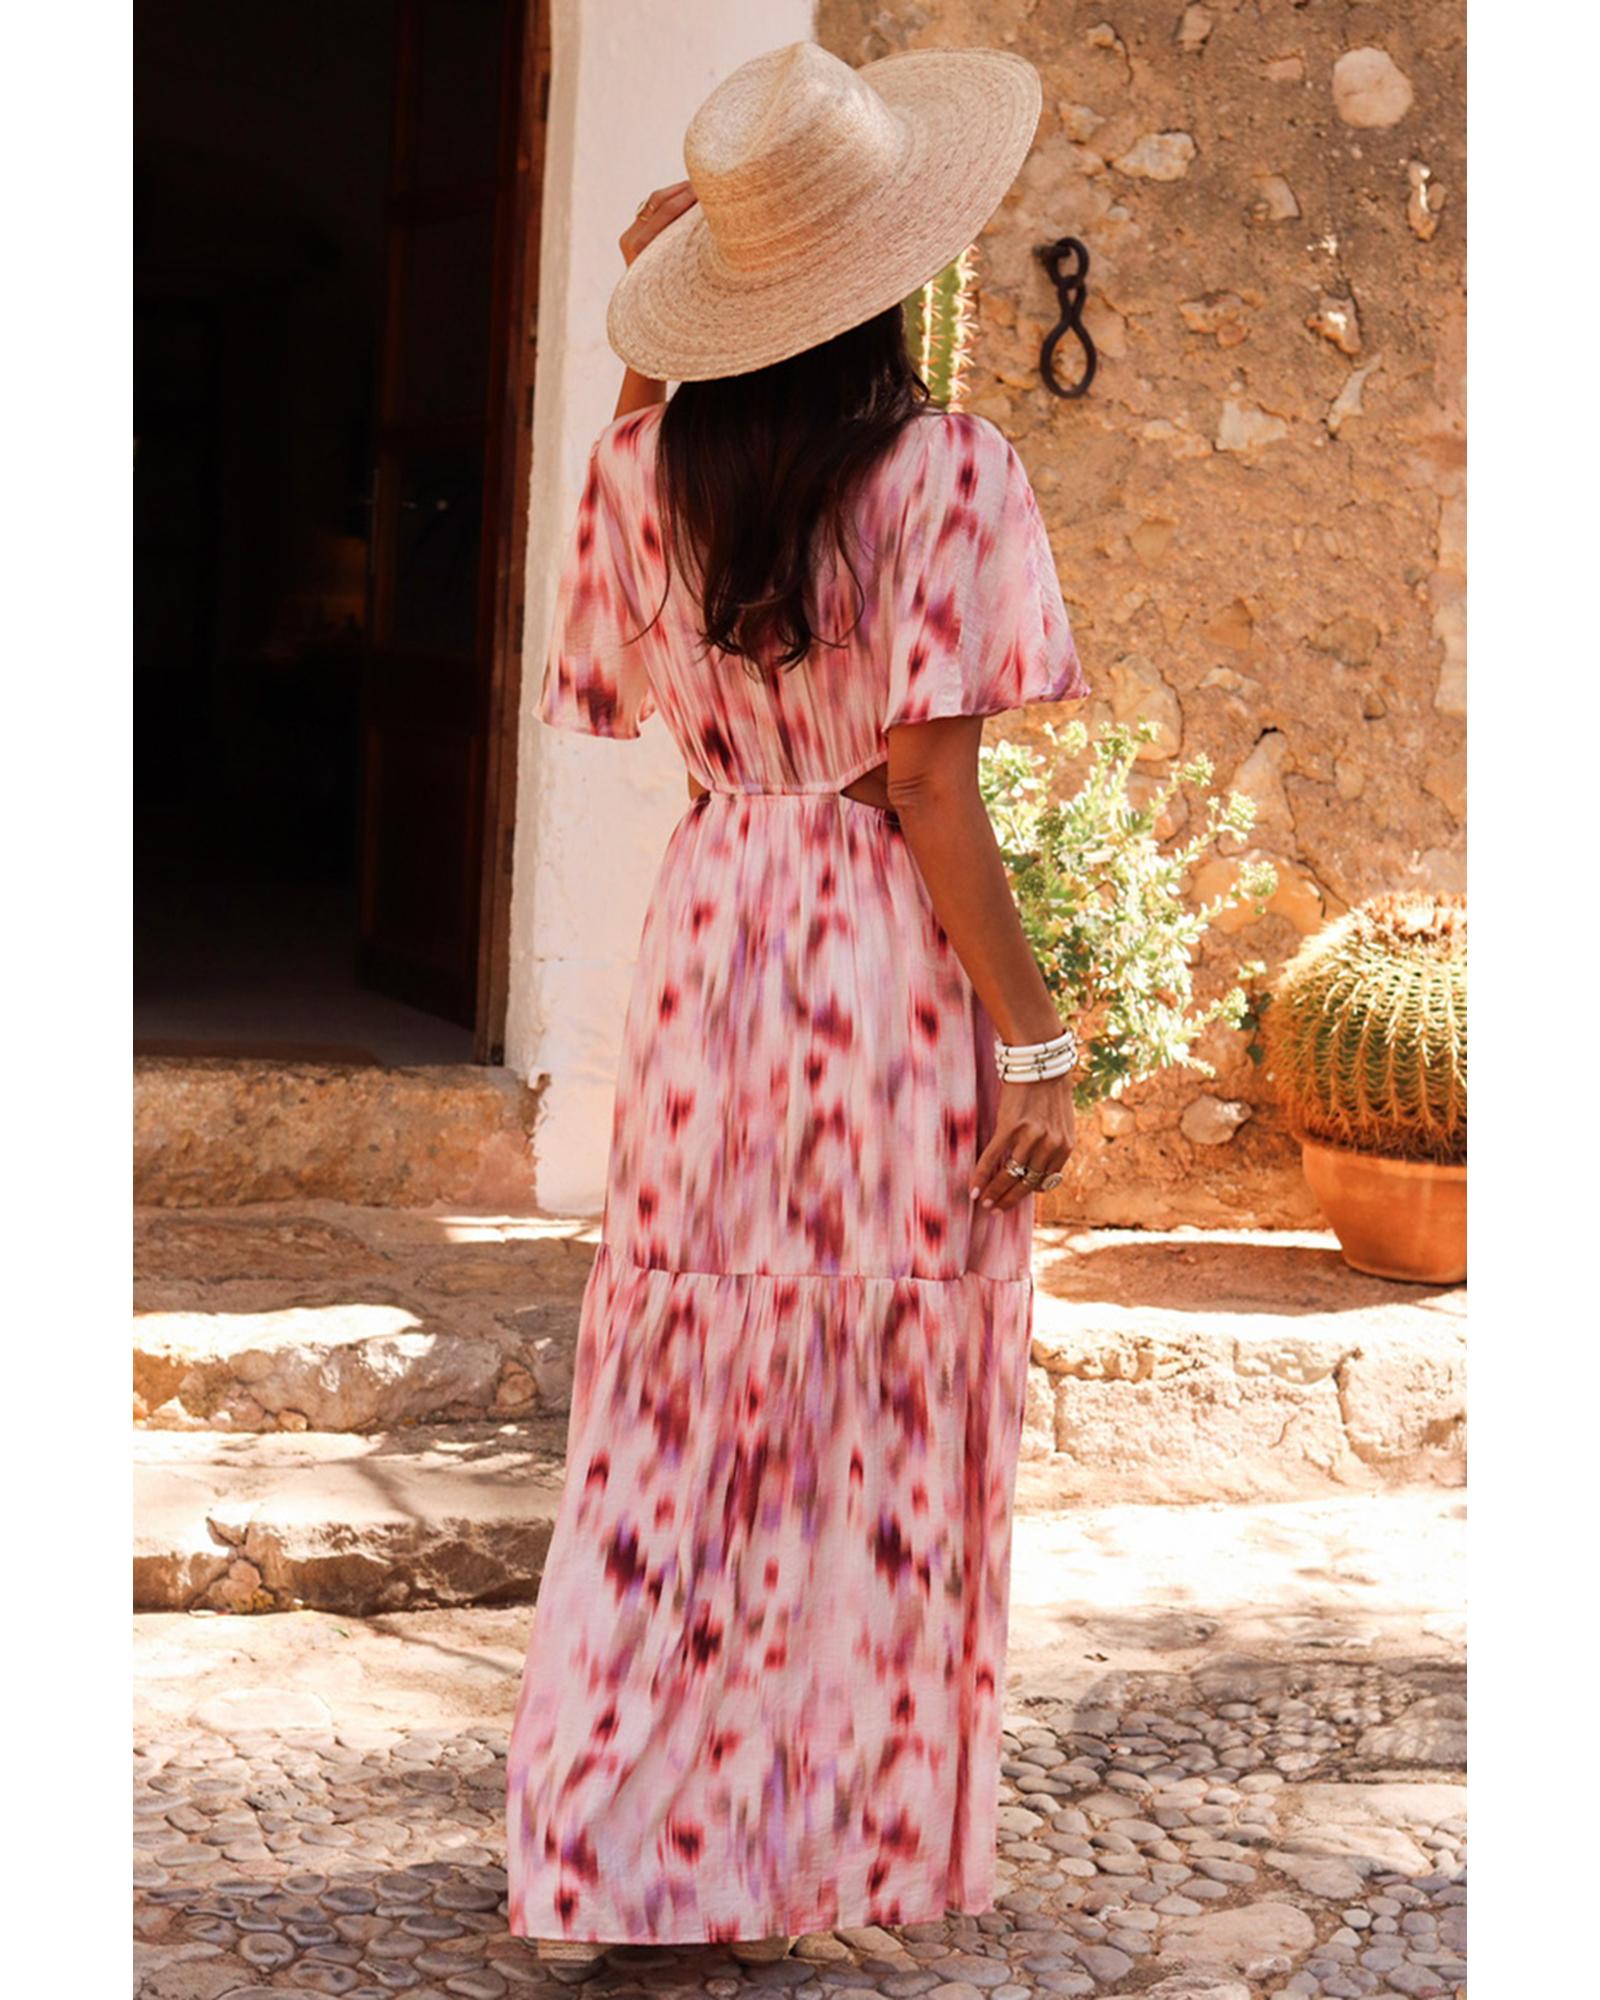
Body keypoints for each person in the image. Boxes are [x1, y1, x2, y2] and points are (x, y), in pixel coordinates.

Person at [505, 39, 1090, 1962]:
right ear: (892, 268)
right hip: (873, 969)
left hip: (715, 934)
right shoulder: (951, 469)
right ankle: (777, 1840)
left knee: (683, 1392)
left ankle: (634, 1844)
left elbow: (605, 677)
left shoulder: (642, 467)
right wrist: (1038, 1041)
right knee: (862, 1392)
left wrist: (652, 348)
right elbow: (928, 786)